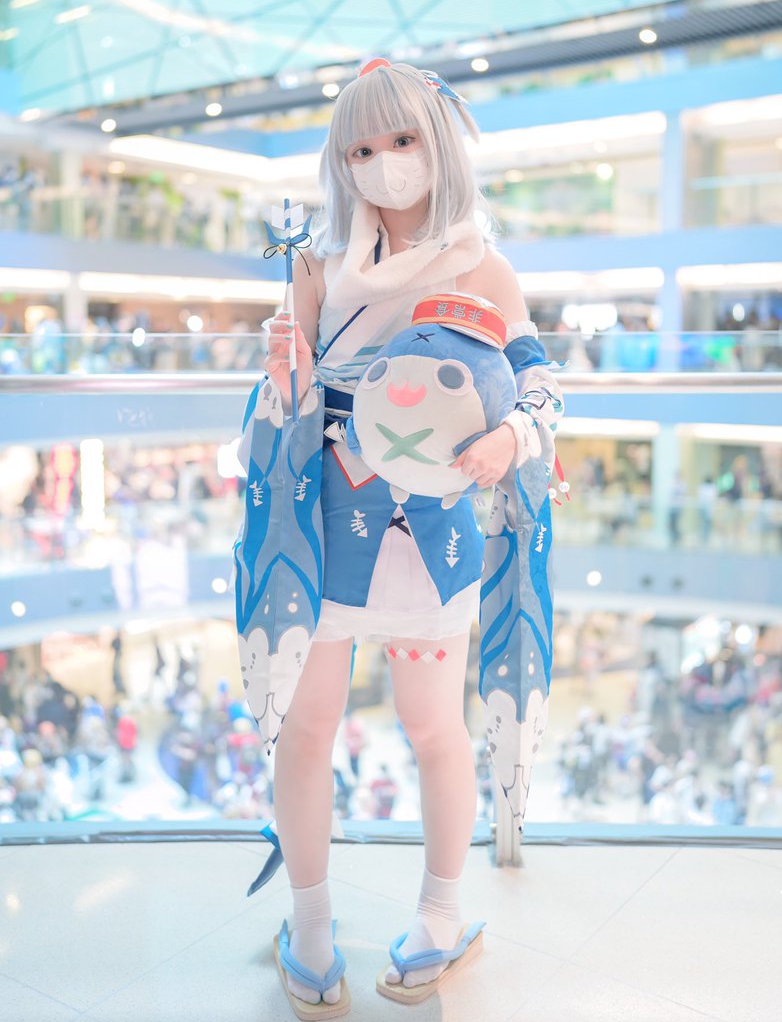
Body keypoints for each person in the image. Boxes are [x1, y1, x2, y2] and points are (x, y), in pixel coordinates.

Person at [253, 60, 565, 1012]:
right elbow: (290, 403)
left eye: (401, 140)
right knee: (307, 730)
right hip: (326, 532)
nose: (384, 163)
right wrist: (282, 372)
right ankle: (312, 926)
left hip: (434, 534)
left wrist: (512, 437)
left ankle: (439, 914)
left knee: (434, 730)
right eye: (361, 148)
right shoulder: (315, 266)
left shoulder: (482, 265)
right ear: (339, 162)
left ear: (439, 144)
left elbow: (543, 386)